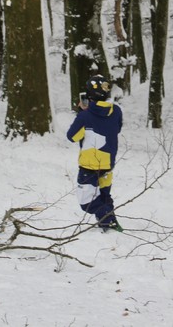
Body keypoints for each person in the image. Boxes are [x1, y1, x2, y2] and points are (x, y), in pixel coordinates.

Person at [66, 74, 124, 232]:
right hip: (108, 162)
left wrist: (82, 112)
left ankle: (107, 218)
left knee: (87, 202)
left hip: (89, 166)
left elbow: (72, 136)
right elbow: (116, 128)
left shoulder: (85, 115)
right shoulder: (116, 111)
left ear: (89, 94)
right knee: (104, 195)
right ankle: (109, 224)